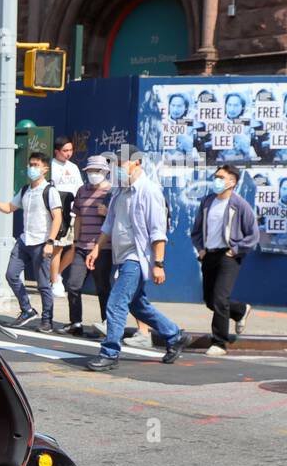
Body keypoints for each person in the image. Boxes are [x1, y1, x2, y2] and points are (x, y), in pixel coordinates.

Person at [85, 149, 191, 370]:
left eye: (121, 163)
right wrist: (96, 248)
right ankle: (174, 335)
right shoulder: (119, 191)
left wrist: (159, 264)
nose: (117, 168)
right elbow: (109, 224)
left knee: (116, 302)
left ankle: (110, 352)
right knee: (137, 305)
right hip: (121, 255)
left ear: (137, 163)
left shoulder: (149, 191)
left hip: (137, 256)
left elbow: (158, 231)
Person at [0, 151, 60, 332]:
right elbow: (10, 207)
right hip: (25, 241)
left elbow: (57, 217)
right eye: (30, 164)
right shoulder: (26, 190)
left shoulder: (50, 191)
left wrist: (50, 241)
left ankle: (47, 320)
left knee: (43, 284)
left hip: (42, 242)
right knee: (11, 274)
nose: (32, 168)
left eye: (36, 165)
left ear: (45, 169)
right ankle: (27, 309)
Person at [190, 164, 258, 355]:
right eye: (216, 176)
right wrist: (201, 249)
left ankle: (219, 342)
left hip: (229, 256)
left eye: (221, 177)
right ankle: (240, 310)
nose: (216, 180)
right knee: (210, 301)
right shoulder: (207, 202)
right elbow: (196, 230)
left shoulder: (240, 204)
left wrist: (236, 249)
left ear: (232, 182)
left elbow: (253, 234)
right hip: (209, 255)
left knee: (220, 298)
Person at [63, 155, 113, 337]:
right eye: (90, 171)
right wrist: (75, 243)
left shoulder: (111, 192)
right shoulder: (82, 191)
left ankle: (107, 325)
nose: (93, 174)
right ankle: (75, 323)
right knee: (73, 285)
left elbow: (119, 219)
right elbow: (78, 218)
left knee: (102, 288)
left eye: (97, 171)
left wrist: (107, 212)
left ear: (105, 172)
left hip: (103, 248)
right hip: (82, 246)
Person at [49, 137, 82, 297]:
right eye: (65, 151)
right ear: (57, 151)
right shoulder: (50, 166)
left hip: (73, 212)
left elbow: (80, 188)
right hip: (58, 213)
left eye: (70, 150)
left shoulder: (74, 167)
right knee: (58, 246)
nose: (68, 153)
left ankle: (57, 274)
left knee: (74, 247)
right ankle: (54, 282)